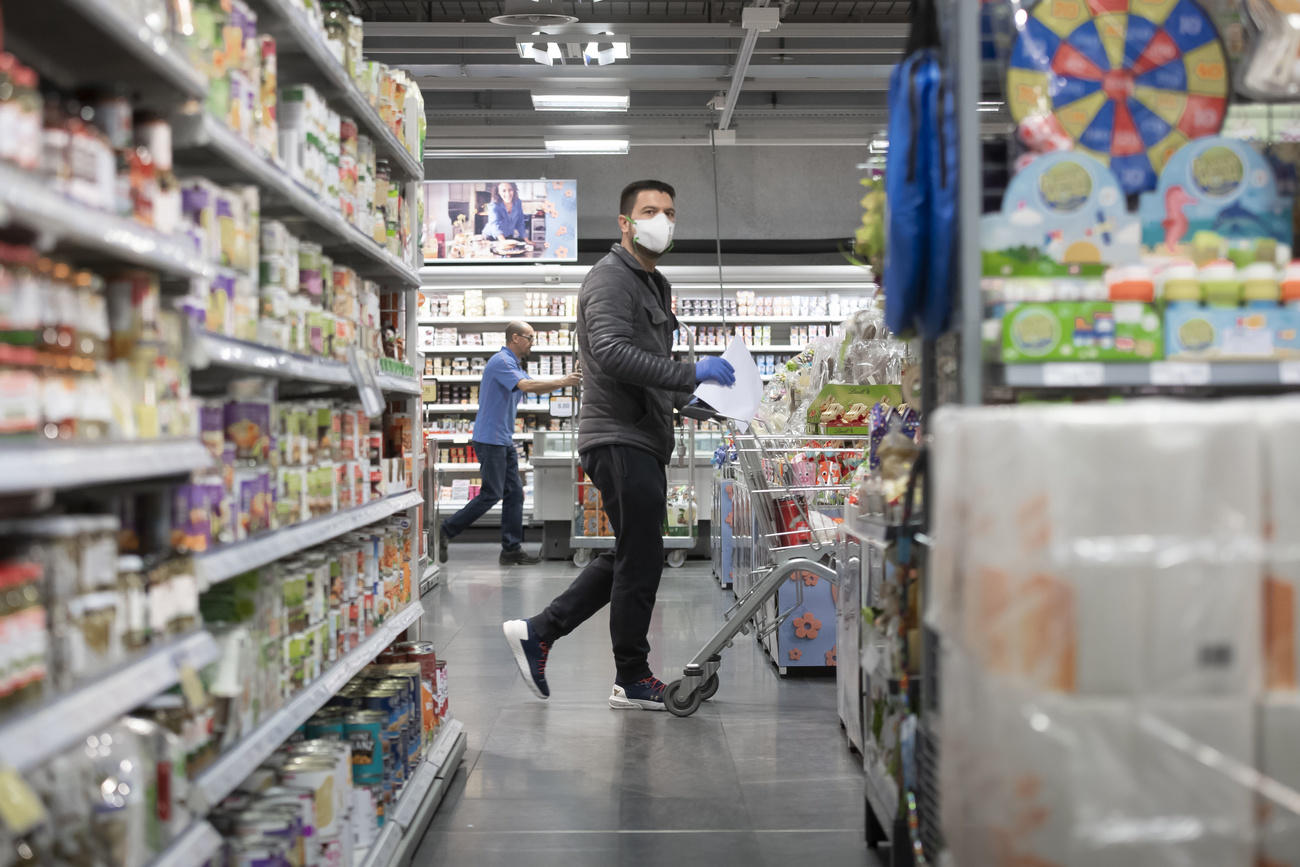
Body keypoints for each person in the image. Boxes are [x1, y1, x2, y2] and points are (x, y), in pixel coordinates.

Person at [501, 180, 736, 711]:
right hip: (617, 435)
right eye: (650, 211)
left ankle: (540, 632)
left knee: (638, 550)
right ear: (624, 223)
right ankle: (630, 676)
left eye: (670, 212)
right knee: (642, 554)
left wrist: (687, 401)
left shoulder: (656, 285)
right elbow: (607, 353)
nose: (663, 221)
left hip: (645, 436)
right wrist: (689, 371)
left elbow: (646, 368)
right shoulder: (610, 279)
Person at [439, 321, 580, 566]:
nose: (532, 343)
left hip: (502, 439)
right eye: (530, 338)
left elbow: (533, 385)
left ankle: (511, 549)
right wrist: (564, 381)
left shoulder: (513, 363)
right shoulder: (501, 362)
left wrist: (567, 379)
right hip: (490, 439)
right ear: (515, 338)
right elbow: (527, 386)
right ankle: (446, 530)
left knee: (514, 493)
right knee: (491, 493)